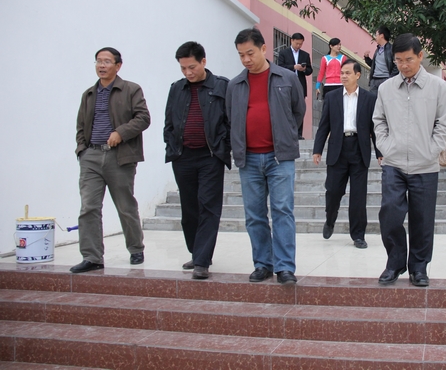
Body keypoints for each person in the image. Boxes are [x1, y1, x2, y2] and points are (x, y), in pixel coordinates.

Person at [226, 27, 305, 285]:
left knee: (282, 211)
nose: (246, 59)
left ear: (263, 49)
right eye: (241, 55)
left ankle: (285, 267)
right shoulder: (235, 85)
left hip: (279, 157)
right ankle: (262, 264)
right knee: (254, 215)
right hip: (248, 159)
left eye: (250, 53)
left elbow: (298, 112)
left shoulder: (287, 78)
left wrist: (285, 135)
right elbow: (231, 118)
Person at [373, 33, 446, 287]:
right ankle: (395, 264)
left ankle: (419, 268)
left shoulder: (438, 87)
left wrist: (432, 149)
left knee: (422, 219)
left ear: (420, 56)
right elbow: (378, 121)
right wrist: (386, 146)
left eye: (408, 59)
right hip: (394, 163)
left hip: (425, 164)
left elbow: (443, 123)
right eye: (398, 60)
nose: (403, 65)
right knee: (390, 214)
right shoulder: (386, 88)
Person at [71, 47, 150, 273]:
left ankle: (135, 248)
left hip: (120, 156)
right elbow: (80, 126)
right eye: (98, 61)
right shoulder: (88, 94)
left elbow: (143, 118)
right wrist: (82, 150)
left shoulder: (131, 89)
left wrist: (120, 133)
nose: (102, 65)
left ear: (118, 65)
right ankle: (92, 256)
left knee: (125, 206)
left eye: (107, 61)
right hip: (91, 156)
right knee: (89, 207)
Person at [164, 41, 231, 280]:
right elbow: (169, 122)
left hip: (210, 157)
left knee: (208, 207)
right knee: (189, 209)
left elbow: (230, 121)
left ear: (203, 61)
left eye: (191, 67)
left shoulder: (222, 86)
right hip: (182, 157)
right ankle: (197, 252)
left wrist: (224, 146)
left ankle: (202, 261)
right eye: (183, 68)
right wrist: (172, 145)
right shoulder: (176, 88)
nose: (188, 72)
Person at [313, 59, 382, 249]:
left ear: (358, 75)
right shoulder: (332, 97)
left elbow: (375, 127)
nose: (343, 76)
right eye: (342, 73)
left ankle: (358, 235)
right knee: (333, 191)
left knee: (358, 196)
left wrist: (379, 152)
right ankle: (330, 219)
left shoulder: (369, 99)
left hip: (359, 149)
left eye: (347, 73)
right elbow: (324, 126)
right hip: (338, 148)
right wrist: (317, 150)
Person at [277, 32, 313, 139]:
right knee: (287, 108)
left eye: (300, 44)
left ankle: (298, 133)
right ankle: (287, 132)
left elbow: (310, 70)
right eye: (297, 43)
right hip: (287, 84)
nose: (298, 46)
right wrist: (293, 67)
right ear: (291, 41)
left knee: (300, 109)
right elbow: (280, 67)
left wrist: (304, 69)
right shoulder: (283, 53)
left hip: (300, 84)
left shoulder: (305, 55)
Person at [363, 26, 398, 93]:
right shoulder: (377, 50)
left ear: (381, 35)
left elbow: (396, 66)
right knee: (372, 99)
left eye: (376, 35)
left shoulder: (391, 49)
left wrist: (390, 79)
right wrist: (367, 58)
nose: (375, 37)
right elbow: (374, 65)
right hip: (374, 80)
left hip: (385, 80)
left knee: (385, 99)